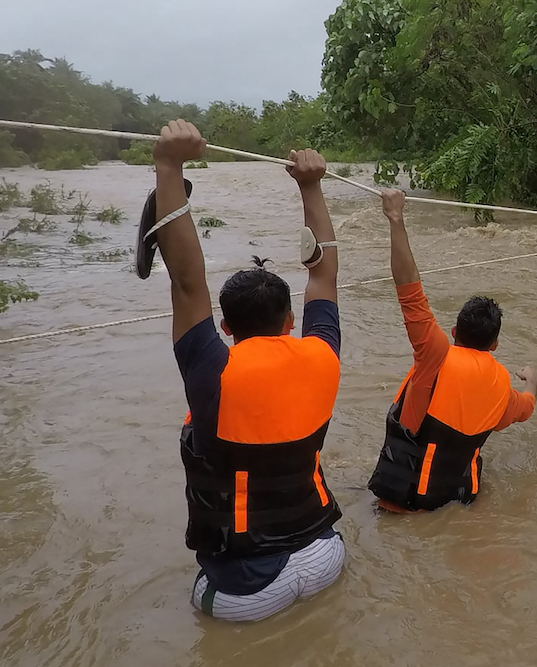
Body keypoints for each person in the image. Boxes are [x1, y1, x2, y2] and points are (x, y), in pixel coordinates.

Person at [137, 120, 346, 622]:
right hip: (324, 556)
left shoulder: (214, 371)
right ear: (291, 320)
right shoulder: (323, 355)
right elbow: (324, 271)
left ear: (226, 326)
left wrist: (168, 167)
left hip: (246, 586)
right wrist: (312, 186)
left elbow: (188, 285)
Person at [367, 189, 537, 513]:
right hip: (457, 505)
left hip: (398, 506)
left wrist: (395, 218)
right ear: (495, 345)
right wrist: (532, 379)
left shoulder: (435, 354)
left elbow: (409, 290)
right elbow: (526, 408)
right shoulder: (502, 386)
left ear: (454, 332)